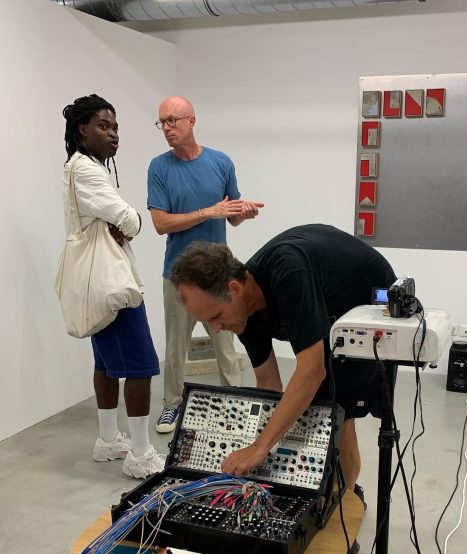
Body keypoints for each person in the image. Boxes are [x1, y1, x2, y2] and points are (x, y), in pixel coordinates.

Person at [169, 223, 397, 510]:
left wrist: (260, 447)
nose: (215, 328)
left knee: (337, 408)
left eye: (216, 316)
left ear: (234, 289)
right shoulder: (243, 311)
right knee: (305, 409)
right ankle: (325, 491)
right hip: (326, 303)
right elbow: (268, 384)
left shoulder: (289, 274)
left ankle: (344, 502)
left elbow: (312, 371)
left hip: (366, 302)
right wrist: (257, 446)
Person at [61, 94, 165, 479]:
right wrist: (131, 220)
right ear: (82, 129)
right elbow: (129, 219)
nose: (113, 134)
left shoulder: (79, 166)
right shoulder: (88, 170)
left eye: (116, 127)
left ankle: (108, 440)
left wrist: (120, 222)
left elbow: (114, 219)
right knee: (141, 366)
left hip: (95, 282)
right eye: (103, 126)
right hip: (113, 285)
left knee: (105, 364)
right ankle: (140, 453)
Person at [147, 96, 263, 435]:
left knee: (226, 342)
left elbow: (232, 216)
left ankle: (233, 400)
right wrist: (207, 212)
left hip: (218, 274)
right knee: (175, 346)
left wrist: (243, 213)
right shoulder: (159, 167)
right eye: (162, 123)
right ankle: (172, 404)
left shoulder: (221, 162)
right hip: (178, 275)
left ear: (192, 121)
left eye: (172, 120)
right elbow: (161, 223)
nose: (167, 128)